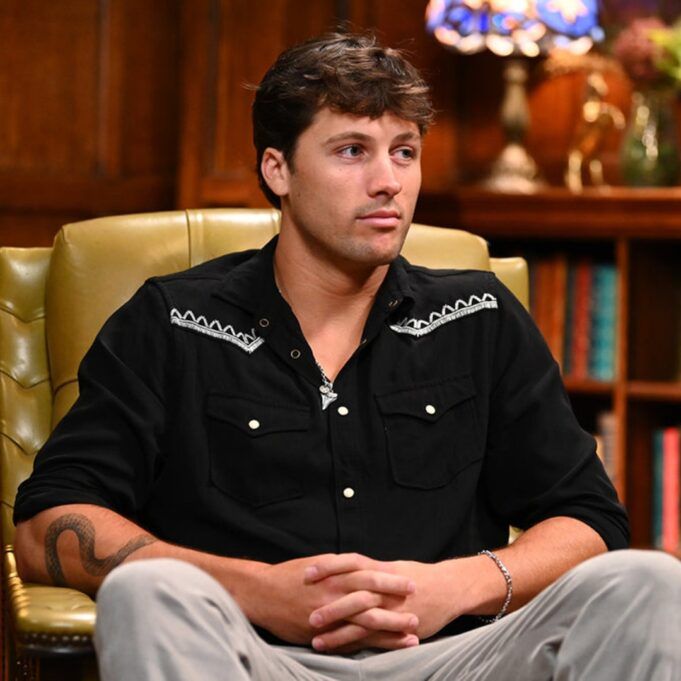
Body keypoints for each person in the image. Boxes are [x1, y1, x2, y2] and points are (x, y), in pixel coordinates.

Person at [12, 32, 680, 681]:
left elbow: (588, 520)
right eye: (352, 150)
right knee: (148, 588)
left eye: (404, 152)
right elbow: (46, 527)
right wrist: (256, 590)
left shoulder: (478, 315)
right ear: (277, 169)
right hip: (247, 655)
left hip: (452, 657)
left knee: (649, 581)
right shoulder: (173, 320)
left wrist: (455, 585)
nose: (388, 182)